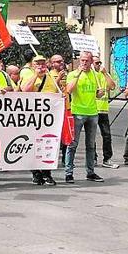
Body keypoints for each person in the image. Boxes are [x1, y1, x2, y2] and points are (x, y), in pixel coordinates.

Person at [64, 51, 104, 183]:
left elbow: (98, 94)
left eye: (87, 60)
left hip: (92, 112)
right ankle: (69, 173)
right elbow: (69, 90)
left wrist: (100, 93)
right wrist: (78, 74)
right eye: (82, 60)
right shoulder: (72, 74)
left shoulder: (94, 74)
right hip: (78, 112)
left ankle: (90, 172)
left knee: (91, 145)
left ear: (91, 61)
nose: (84, 63)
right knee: (73, 144)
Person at [20, 55, 59, 186]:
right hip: (33, 118)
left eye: (43, 64)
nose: (41, 66)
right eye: (38, 64)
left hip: (48, 118)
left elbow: (56, 94)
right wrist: (35, 76)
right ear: (32, 65)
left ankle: (47, 174)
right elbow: (25, 90)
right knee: (34, 146)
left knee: (48, 144)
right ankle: (36, 173)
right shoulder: (28, 75)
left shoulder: (50, 78)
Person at [92, 56, 118, 169]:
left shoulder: (103, 74)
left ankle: (107, 159)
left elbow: (112, 86)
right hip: (92, 109)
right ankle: (93, 158)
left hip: (103, 110)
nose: (99, 64)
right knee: (91, 136)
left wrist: (105, 73)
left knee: (107, 135)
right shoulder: (91, 75)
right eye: (96, 62)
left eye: (100, 62)